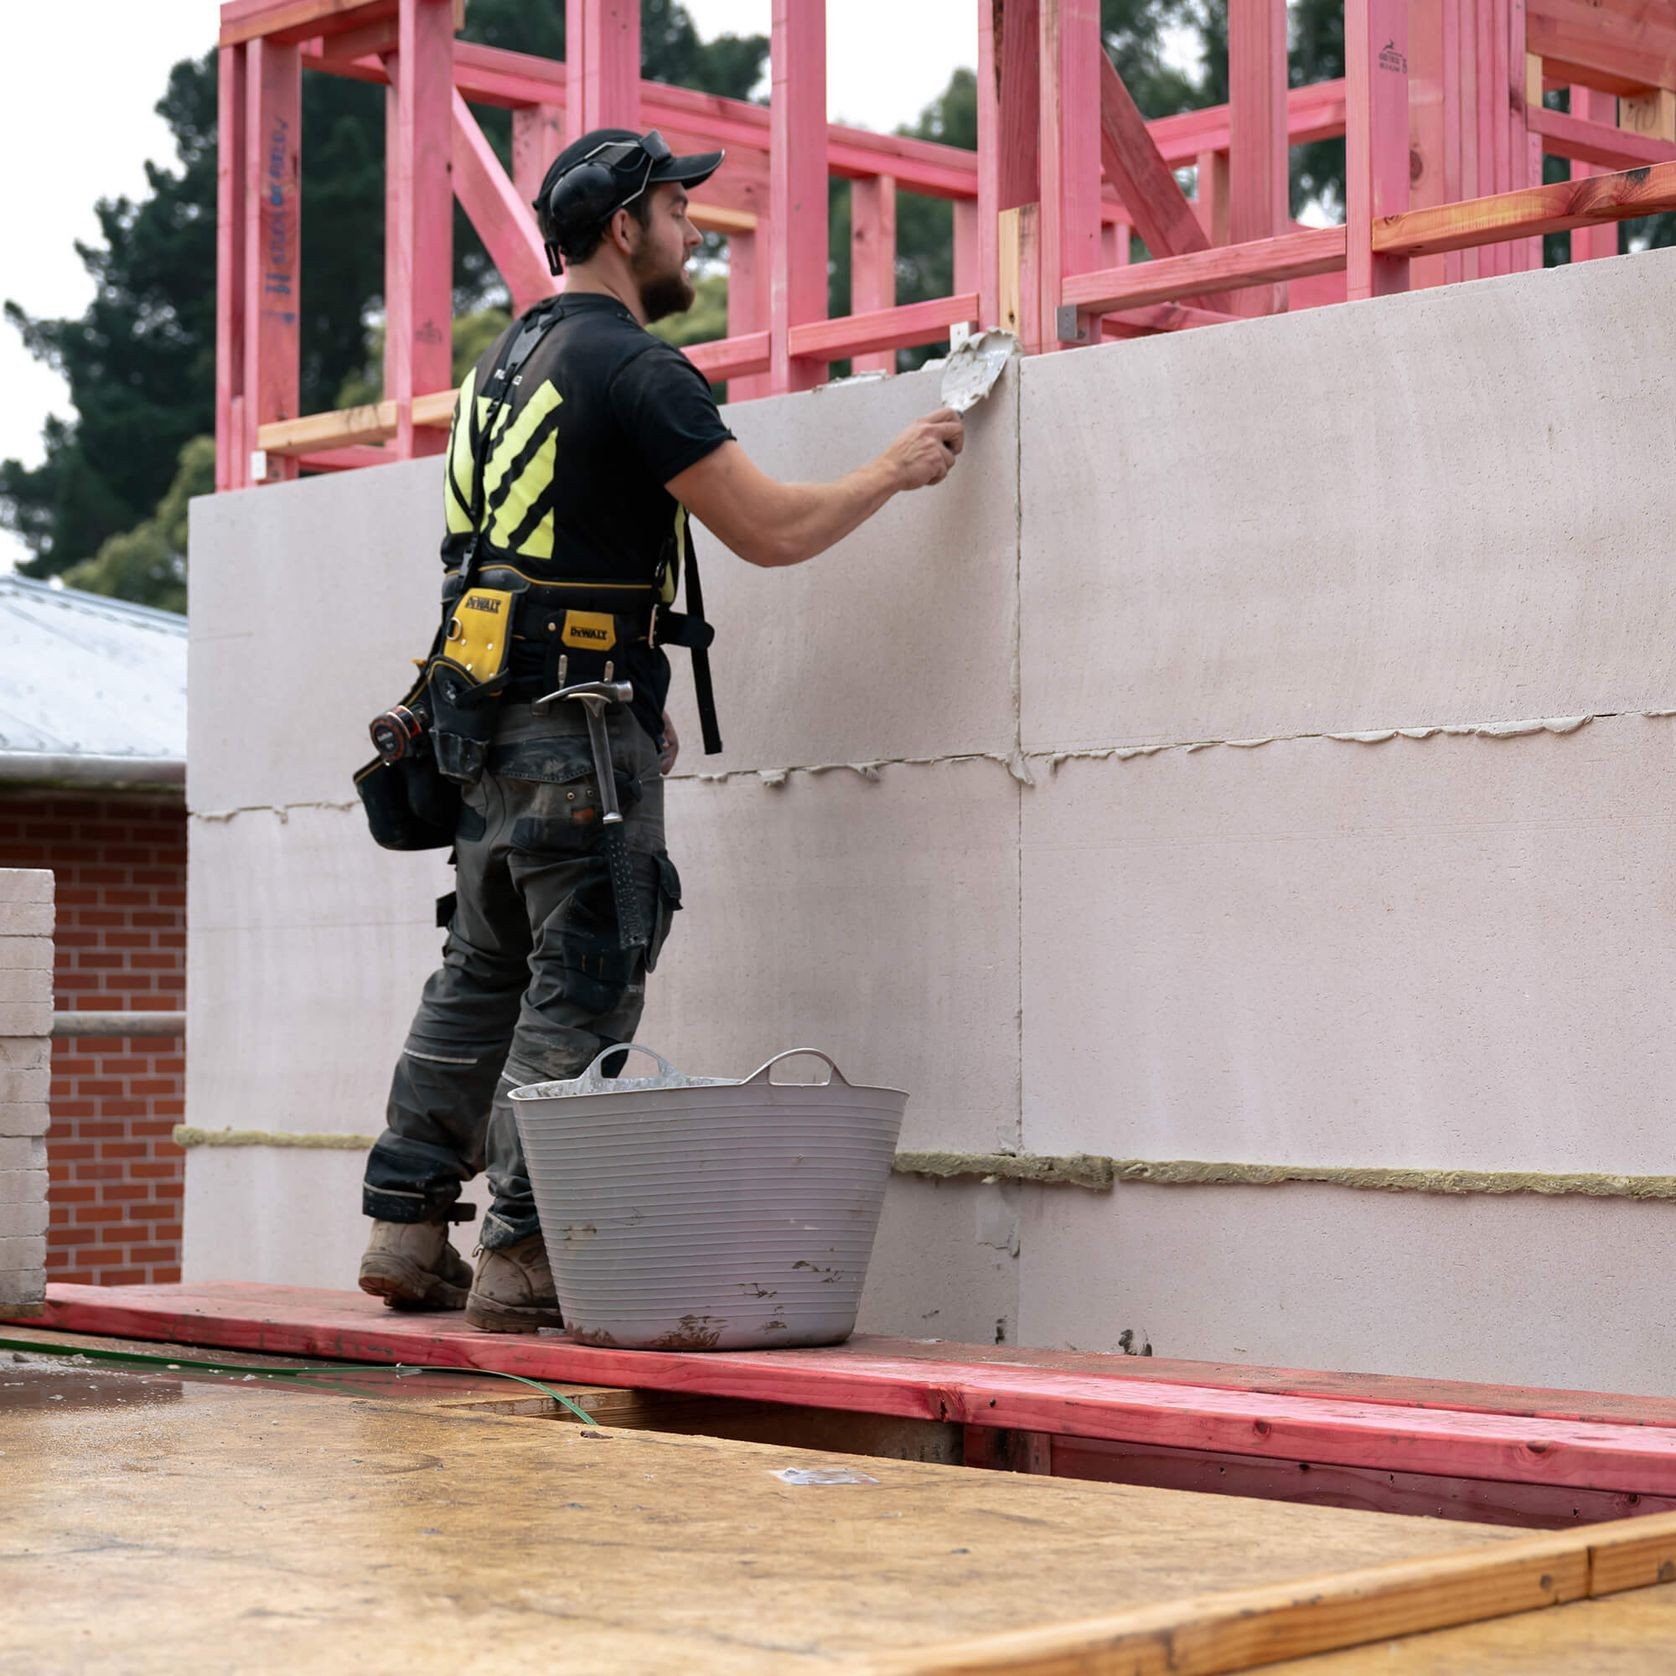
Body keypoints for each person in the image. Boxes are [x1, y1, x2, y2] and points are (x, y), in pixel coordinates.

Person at [356, 127, 965, 1332]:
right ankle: (524, 1253)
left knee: (478, 970)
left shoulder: (503, 365)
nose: (695, 231)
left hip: (479, 723)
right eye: (680, 211)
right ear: (624, 228)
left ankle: (404, 1222)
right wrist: (892, 468)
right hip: (575, 735)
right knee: (580, 982)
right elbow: (771, 529)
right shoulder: (638, 368)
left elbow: (528, 554)